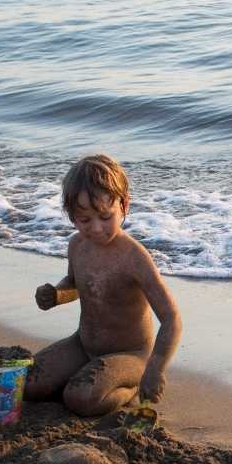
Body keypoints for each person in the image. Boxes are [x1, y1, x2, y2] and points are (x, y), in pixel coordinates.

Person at [24, 153, 182, 417]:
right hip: (82, 344)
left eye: (106, 217)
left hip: (131, 355)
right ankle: (88, 375)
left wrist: (155, 368)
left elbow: (172, 318)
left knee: (79, 399)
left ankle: (128, 387)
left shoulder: (134, 257)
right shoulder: (76, 245)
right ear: (71, 216)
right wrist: (56, 294)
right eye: (84, 220)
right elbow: (75, 284)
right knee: (27, 384)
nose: (96, 228)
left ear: (124, 206)